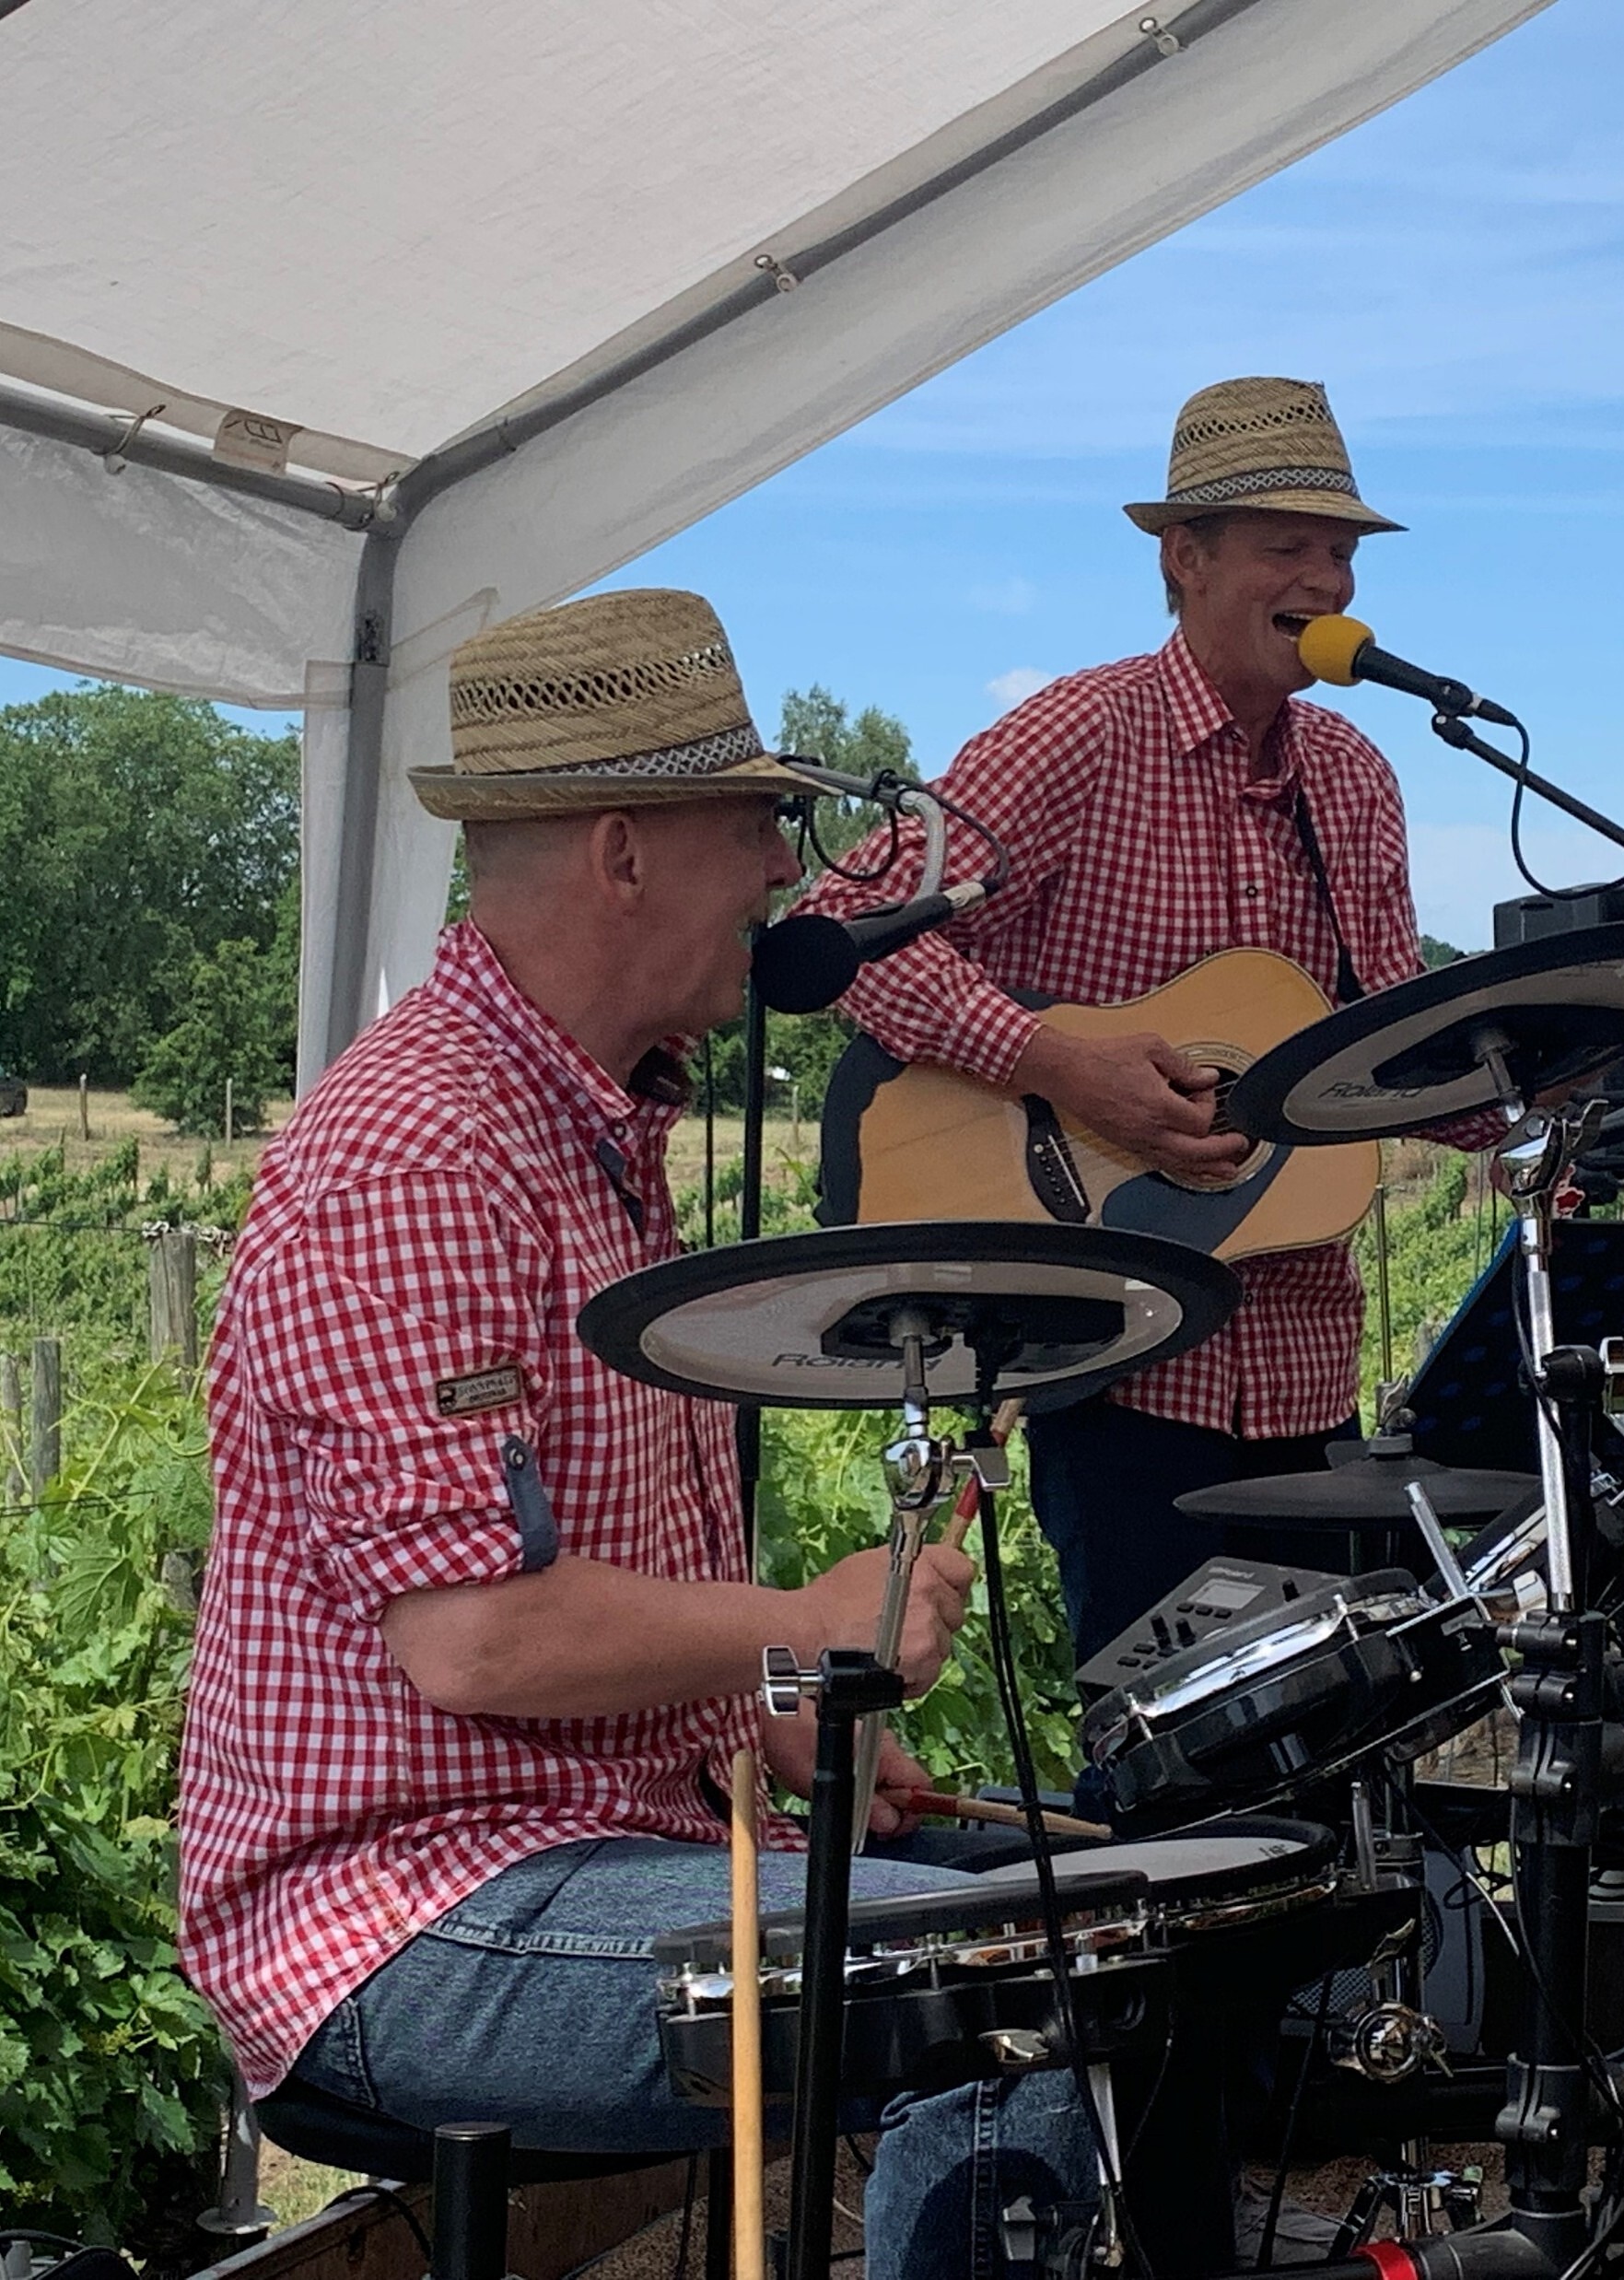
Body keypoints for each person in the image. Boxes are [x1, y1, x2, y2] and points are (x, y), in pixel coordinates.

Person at [176, 589, 1087, 2266]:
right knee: (996, 1993)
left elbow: (577, 1597)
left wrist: (776, 1715)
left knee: (1075, 1931)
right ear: (623, 853)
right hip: (400, 1914)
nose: (782, 877)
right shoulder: (419, 1154)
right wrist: (806, 1632)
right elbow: (475, 1638)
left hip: (577, 1851)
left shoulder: (584, 1131)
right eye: (755, 829)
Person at [804, 377, 1494, 1666]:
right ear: (1186, 558)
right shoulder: (1080, 735)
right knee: (1159, 1755)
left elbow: (1388, 1048)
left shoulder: (1354, 780)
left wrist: (1551, 1054)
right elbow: (839, 926)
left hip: (1307, 1367)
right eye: (1288, 546)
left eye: (1341, 552)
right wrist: (1061, 1067)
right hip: (1121, 1361)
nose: (1328, 580)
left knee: (1338, 1754)